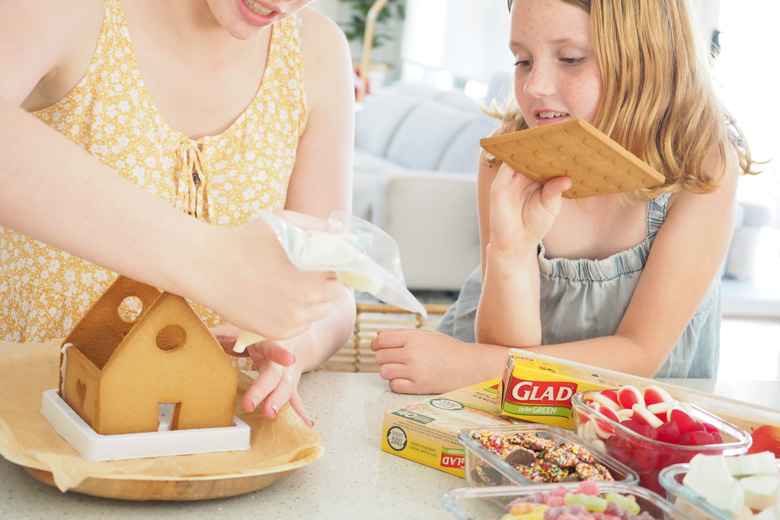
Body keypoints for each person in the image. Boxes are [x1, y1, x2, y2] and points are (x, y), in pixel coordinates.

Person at [372, 0, 759, 394]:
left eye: (571, 59)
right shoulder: (509, 157)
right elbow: (505, 349)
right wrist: (512, 248)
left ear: (646, 55)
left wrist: (470, 367)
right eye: (523, 60)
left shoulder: (700, 163)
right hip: (511, 400)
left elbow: (638, 354)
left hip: (630, 415)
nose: (534, 85)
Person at [0, 0, 357, 424]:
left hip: (213, 434)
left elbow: (336, 288)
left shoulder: (316, 48)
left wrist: (297, 340)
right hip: (32, 420)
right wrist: (213, 261)